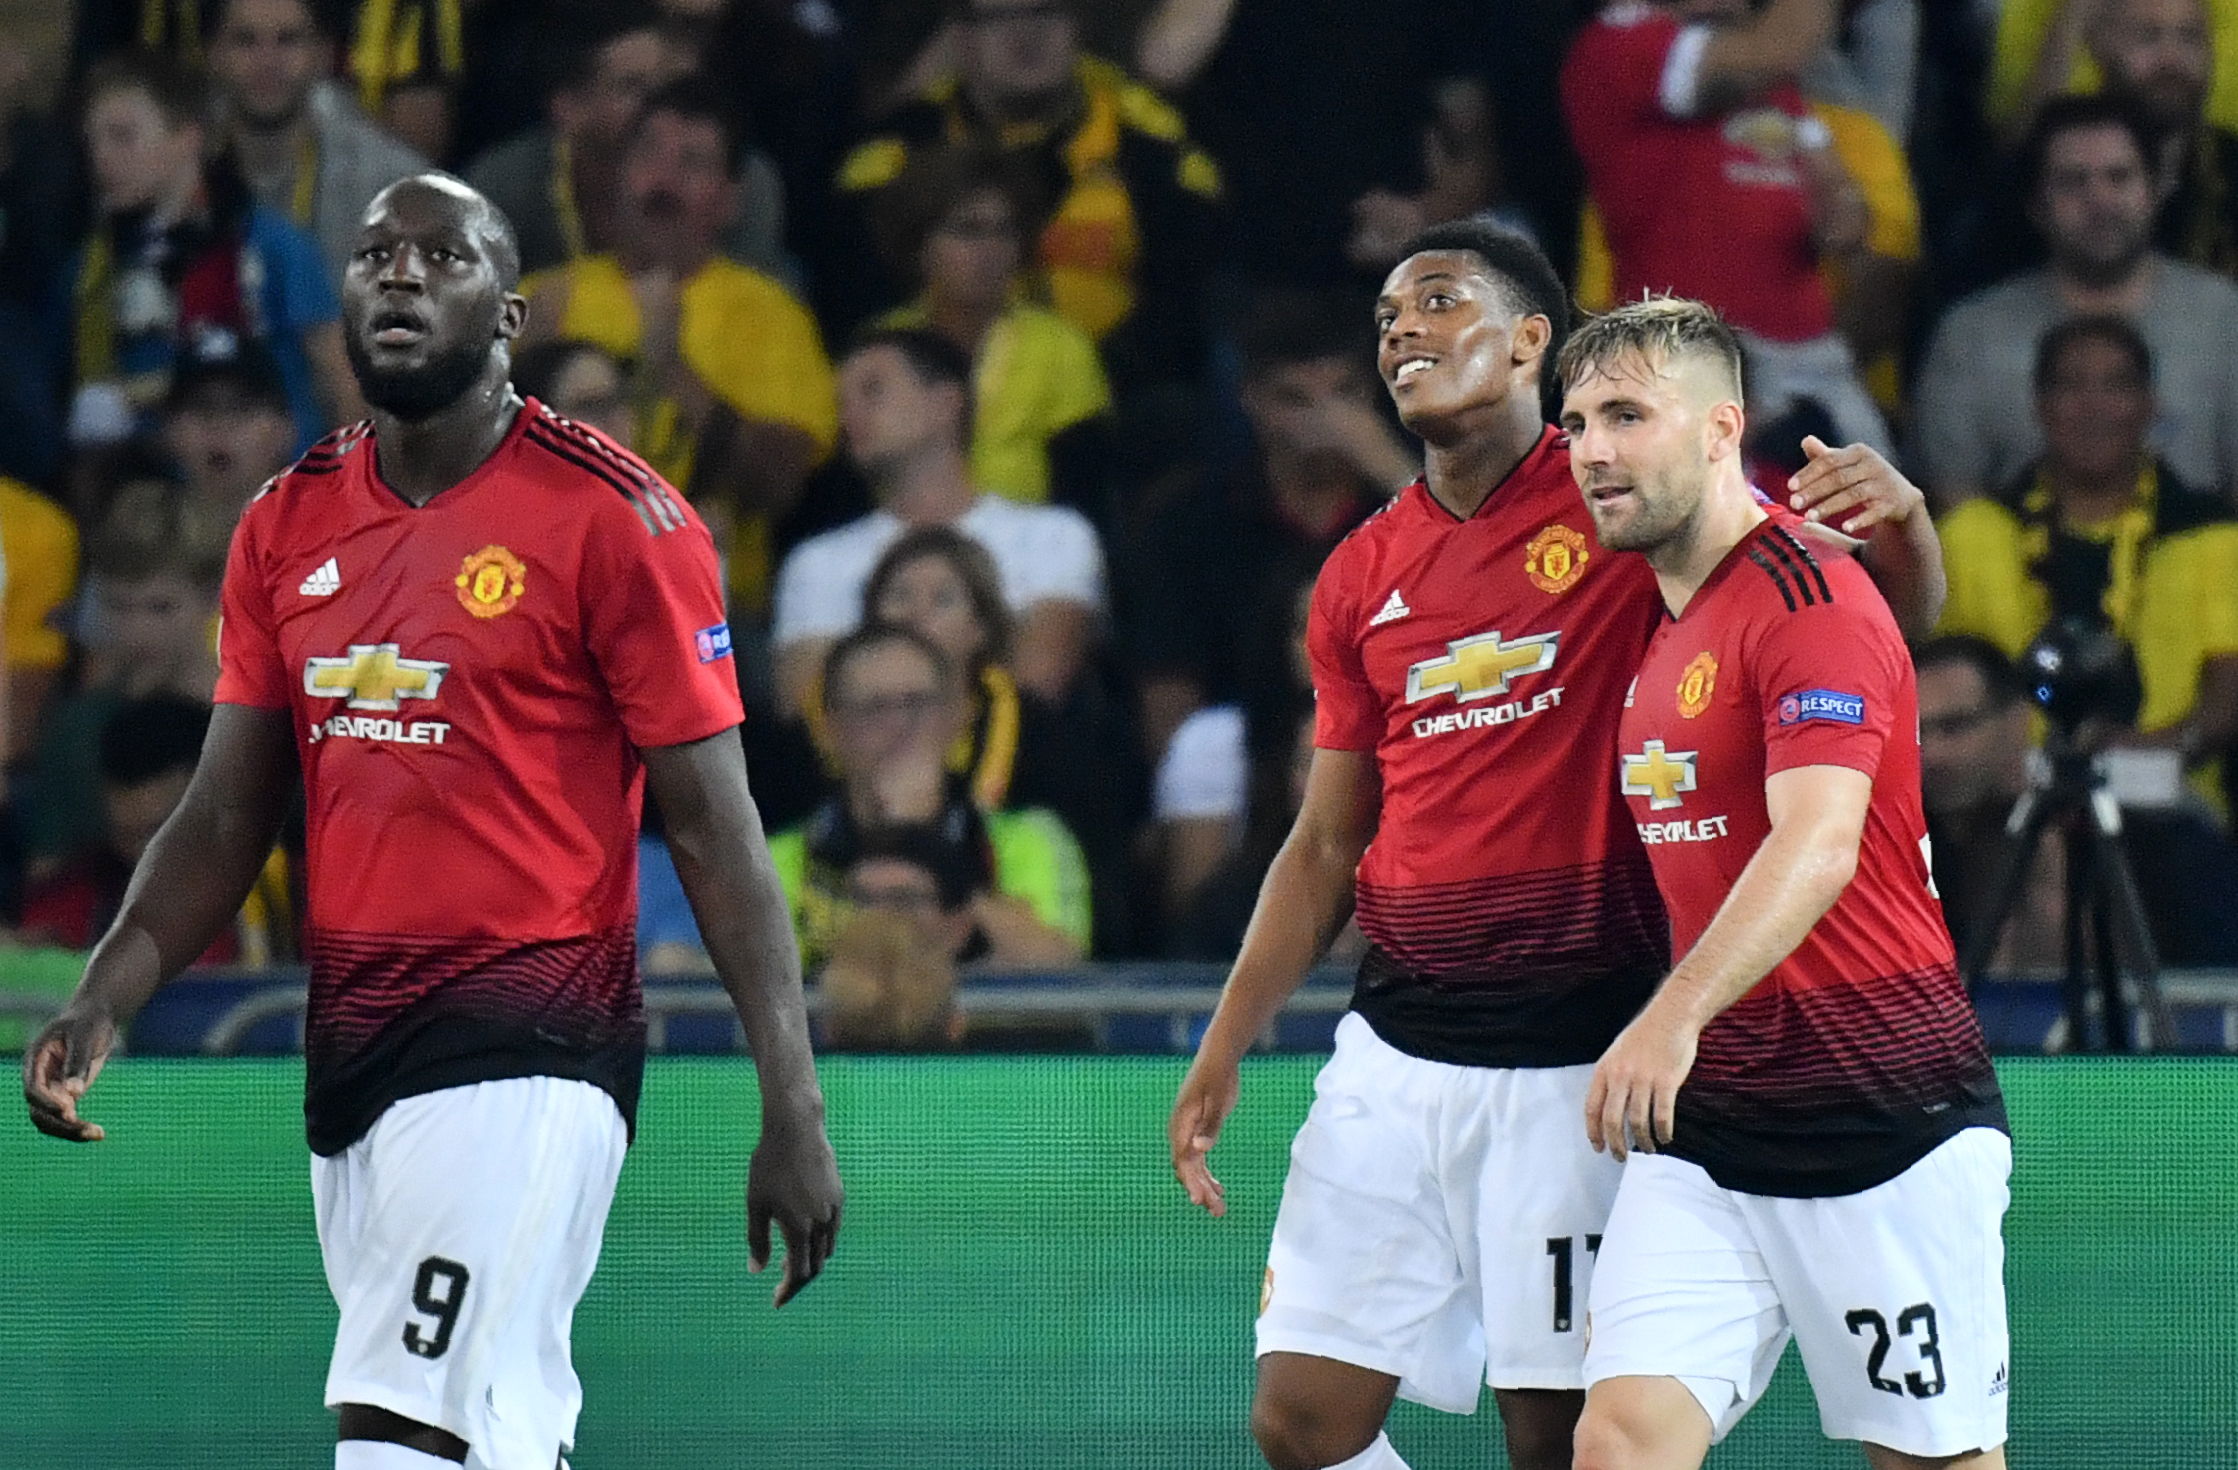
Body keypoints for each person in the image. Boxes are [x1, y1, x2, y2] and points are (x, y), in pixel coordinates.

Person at [21, 173, 841, 1470]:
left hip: (530, 1049)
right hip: (355, 1053)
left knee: (395, 1427)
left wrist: (791, 1101)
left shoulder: (615, 519)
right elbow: (228, 806)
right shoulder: (285, 523)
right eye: (372, 253)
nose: (397, 275)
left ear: (508, 312)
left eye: (440, 256)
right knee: (483, 1441)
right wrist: (105, 990)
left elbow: (717, 830)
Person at [1164, 220, 1946, 1470]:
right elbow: (1324, 844)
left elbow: (1849, 613)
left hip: (1577, 1043)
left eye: (1434, 302)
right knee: (1299, 1423)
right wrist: (1226, 1037)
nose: (1401, 331)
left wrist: (1906, 530)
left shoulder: (1631, 502)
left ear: (1535, 340)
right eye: (1385, 321)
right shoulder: (1361, 574)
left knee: (1561, 1440)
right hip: (1397, 1041)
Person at [1554, 295, 2009, 1470]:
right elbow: (1900, 626)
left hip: (1880, 1119)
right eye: (1574, 425)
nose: (1592, 449)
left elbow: (1820, 842)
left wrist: (1670, 1013)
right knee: (1618, 1443)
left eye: (1625, 415)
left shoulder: (1806, 591)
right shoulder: (1658, 611)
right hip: (1714, 1131)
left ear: (1720, 432)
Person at [520, 74, 836, 614]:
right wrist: (528, 373)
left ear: (730, 201)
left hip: (706, 605)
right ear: (617, 178)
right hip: (552, 590)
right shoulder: (546, 297)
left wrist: (674, 373)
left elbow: (777, 490)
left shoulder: (769, 314)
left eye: (692, 163)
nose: (662, 179)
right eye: (647, 154)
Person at [831, 0, 1223, 390]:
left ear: (1078, 22)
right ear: (962, 37)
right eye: (1001, 17)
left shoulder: (1151, 144)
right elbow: (863, 303)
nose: (1027, 35)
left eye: (1047, 11)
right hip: (941, 394)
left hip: (1117, 399)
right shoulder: (898, 153)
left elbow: (1181, 314)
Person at [1933, 314, 2238, 808]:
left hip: (2165, 799)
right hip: (2005, 801)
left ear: (2149, 404)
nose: (2093, 407)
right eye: (2071, 387)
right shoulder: (1973, 535)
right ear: (2040, 405)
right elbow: (1941, 684)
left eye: (2116, 386)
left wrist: (2165, 746)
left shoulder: (2213, 536)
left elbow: (2230, 685)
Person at [1562, 0, 1892, 452]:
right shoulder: (1621, 39)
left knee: (1883, 503)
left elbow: (1840, 196)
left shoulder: (1771, 87)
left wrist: (1843, 213)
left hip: (1813, 361)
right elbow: (1781, 46)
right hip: (1689, 360)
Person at [1911, 95, 2238, 507]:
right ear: (2035, 206)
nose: (2099, 201)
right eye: (2072, 181)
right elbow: (1950, 504)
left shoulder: (2226, 319)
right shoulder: (1969, 336)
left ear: (2156, 191)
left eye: (2119, 178)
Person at [770, 328, 1103, 720]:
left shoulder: (1053, 537)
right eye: (843, 402)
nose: (849, 416)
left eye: (873, 391)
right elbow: (807, 710)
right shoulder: (816, 562)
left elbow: (1039, 680)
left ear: (946, 404)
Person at [68, 49, 359, 455]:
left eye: (122, 136)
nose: (101, 158)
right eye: (93, 141)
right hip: (158, 496)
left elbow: (340, 379)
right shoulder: (96, 265)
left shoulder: (272, 243)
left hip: (278, 489)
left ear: (187, 139)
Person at [768, 623, 1091, 967]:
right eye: (874, 707)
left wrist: (928, 845)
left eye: (917, 703)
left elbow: (1057, 972)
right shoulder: (772, 860)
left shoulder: (1031, 839)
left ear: (957, 721)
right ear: (831, 730)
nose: (899, 726)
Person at [462, 2, 789, 279]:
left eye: (670, 83)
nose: (660, 104)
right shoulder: (503, 193)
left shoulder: (739, 182)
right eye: (633, 87)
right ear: (569, 106)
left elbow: (760, 304)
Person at [870, 143, 1113, 508]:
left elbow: (1085, 488)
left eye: (1005, 231)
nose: (990, 249)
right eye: (968, 230)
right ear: (920, 243)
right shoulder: (879, 347)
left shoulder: (1062, 347)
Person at [18, 692, 294, 965]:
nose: (143, 857)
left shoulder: (292, 893)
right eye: (126, 835)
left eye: (158, 832)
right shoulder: (72, 907)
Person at [206, 0, 429, 289]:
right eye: (245, 40)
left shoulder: (392, 185)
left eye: (288, 40)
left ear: (324, 55)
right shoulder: (170, 166)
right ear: (213, 54)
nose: (267, 62)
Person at [158, 338, 304, 524]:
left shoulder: (326, 533)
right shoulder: (136, 543)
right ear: (168, 430)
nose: (219, 424)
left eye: (242, 408)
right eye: (201, 407)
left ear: (286, 429)